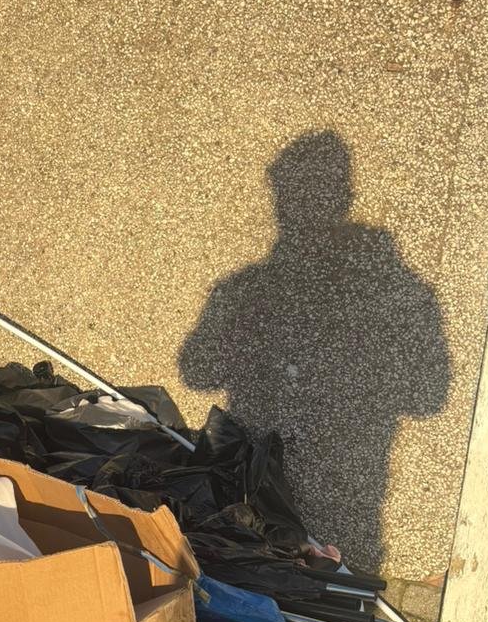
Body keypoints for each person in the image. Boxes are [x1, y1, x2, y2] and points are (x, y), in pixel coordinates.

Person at [178, 130, 450, 570]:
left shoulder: (387, 284)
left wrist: (363, 363)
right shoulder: (250, 286)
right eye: (285, 194)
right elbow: (195, 367)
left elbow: (429, 392)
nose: (290, 207)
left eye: (292, 194)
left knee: (328, 595)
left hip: (343, 507)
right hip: (254, 493)